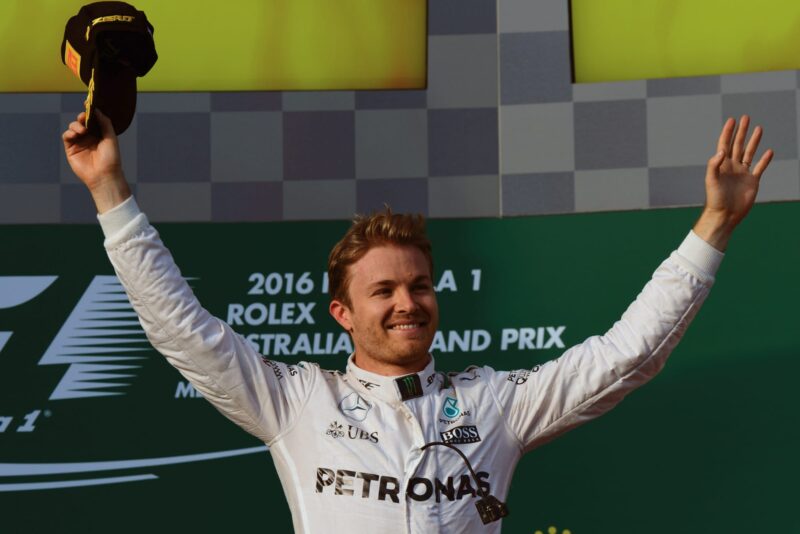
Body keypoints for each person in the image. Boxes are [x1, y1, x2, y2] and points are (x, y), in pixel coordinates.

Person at [63, 110, 772, 533]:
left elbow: (628, 356)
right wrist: (110, 190)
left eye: (420, 285)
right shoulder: (298, 402)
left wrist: (713, 225)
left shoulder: (497, 404)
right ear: (341, 313)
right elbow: (179, 328)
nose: (408, 302)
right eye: (384, 291)